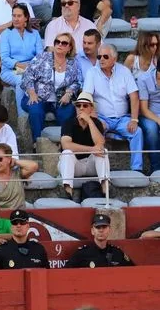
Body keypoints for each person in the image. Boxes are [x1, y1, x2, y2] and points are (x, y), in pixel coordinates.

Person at [83, 43, 145, 172]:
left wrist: (134, 119)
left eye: (105, 56)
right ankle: (99, 171)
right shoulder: (92, 72)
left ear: (114, 59)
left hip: (122, 118)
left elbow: (134, 96)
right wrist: (95, 119)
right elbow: (87, 97)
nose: (101, 59)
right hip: (101, 117)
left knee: (137, 132)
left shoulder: (124, 71)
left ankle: (137, 169)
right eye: (99, 57)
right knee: (95, 130)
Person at [21, 32, 82, 141]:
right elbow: (27, 75)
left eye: (64, 43)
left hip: (60, 100)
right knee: (36, 111)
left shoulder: (73, 63)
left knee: (67, 112)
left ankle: (64, 141)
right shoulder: (42, 57)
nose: (59, 44)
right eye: (57, 42)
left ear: (69, 48)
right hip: (38, 96)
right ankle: (38, 142)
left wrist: (68, 93)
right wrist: (32, 93)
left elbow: (77, 82)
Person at [59, 91, 111, 198]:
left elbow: (100, 143)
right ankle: (68, 191)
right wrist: (91, 149)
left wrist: (89, 121)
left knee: (103, 151)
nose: (81, 108)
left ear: (91, 108)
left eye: (85, 105)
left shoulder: (96, 123)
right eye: (78, 105)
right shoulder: (68, 123)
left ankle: (105, 188)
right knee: (67, 153)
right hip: (75, 165)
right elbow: (66, 145)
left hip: (91, 165)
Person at [66, 213, 133, 268]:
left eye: (104, 227)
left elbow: (132, 271)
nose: (101, 230)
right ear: (92, 231)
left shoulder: (117, 253)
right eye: (98, 227)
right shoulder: (82, 254)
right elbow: (65, 273)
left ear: (109, 230)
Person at [0, 143, 30, 209]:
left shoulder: (17, 173)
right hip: (1, 214)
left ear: (9, 159)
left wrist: (15, 161)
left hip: (20, 213)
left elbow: (33, 166)